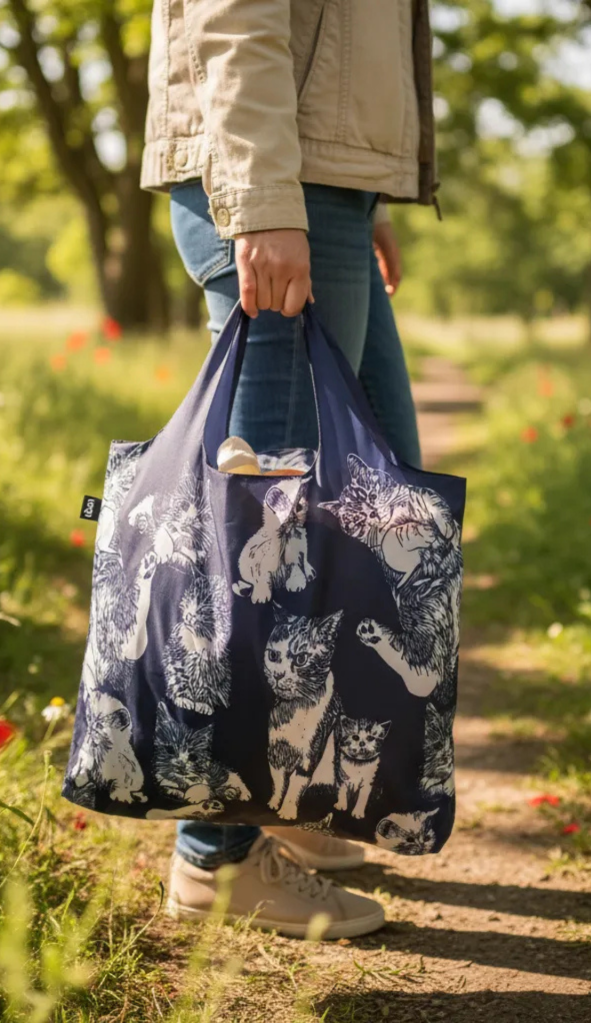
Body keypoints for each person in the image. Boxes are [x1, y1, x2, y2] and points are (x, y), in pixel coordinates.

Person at [140, 0, 438, 938]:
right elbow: (235, 19)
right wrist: (266, 201)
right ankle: (215, 855)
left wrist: (363, 197)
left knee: (374, 502)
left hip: (325, 180)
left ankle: (286, 800)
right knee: (270, 536)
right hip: (277, 177)